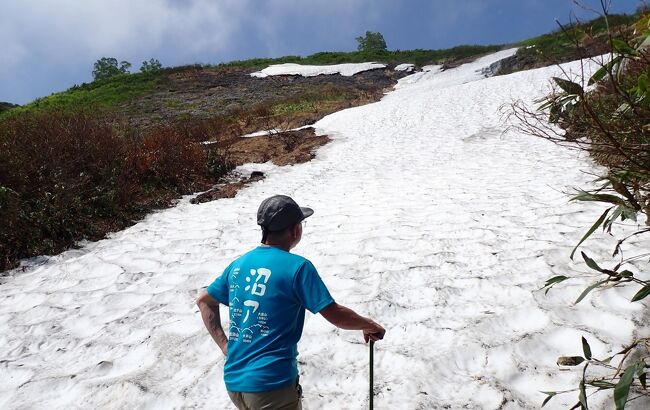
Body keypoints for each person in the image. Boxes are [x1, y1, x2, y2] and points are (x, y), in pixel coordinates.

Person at [196, 194, 386, 410]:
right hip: (271, 386)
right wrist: (368, 324)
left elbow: (204, 300)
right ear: (295, 230)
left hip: (235, 383)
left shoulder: (239, 265)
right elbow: (335, 314)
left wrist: (224, 345)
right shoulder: (298, 268)